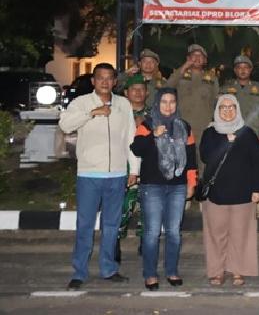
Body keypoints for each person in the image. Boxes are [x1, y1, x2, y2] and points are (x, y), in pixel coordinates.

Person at [59, 63, 138, 290]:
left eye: (109, 78)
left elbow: (130, 138)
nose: (105, 82)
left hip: (117, 174)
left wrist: (134, 169)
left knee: (111, 225)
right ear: (93, 81)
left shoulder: (123, 104)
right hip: (89, 174)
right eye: (100, 78)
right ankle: (79, 272)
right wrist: (92, 113)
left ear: (115, 81)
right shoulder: (81, 103)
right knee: (85, 225)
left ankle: (108, 269)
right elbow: (65, 125)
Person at [130, 88, 197, 291]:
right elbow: (136, 148)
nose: (168, 106)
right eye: (164, 102)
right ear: (157, 103)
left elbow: (191, 158)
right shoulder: (147, 125)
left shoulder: (184, 126)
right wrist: (153, 135)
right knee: (151, 233)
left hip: (178, 187)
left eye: (172, 102)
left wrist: (192, 183)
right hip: (152, 186)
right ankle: (150, 274)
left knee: (174, 232)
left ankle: (171, 271)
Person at [199, 94, 259, 286]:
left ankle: (238, 270)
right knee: (216, 234)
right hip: (216, 193)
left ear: (237, 109)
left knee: (240, 234)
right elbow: (205, 156)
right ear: (217, 110)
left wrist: (257, 188)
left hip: (243, 193)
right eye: (223, 108)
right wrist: (225, 142)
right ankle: (217, 271)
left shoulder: (247, 133)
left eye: (231, 107)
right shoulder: (210, 133)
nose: (228, 111)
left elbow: (258, 163)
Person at [115, 74, 150, 264]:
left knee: (148, 206)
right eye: (133, 89)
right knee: (122, 206)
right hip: (123, 165)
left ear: (147, 92)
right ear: (126, 93)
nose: (138, 92)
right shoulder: (117, 113)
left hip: (148, 166)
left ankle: (146, 242)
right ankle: (114, 242)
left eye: (141, 89)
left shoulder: (154, 114)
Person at [167, 44, 219, 159]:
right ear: (188, 58)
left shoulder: (212, 78)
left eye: (200, 56)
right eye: (193, 55)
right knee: (183, 158)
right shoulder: (180, 74)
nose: (197, 58)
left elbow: (217, 102)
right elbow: (168, 86)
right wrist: (185, 66)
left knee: (203, 158)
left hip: (204, 126)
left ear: (205, 60)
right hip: (183, 125)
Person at [220, 55, 259, 143]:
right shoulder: (225, 89)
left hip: (254, 133)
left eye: (246, 67)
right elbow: (219, 112)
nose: (243, 70)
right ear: (235, 70)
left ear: (250, 69)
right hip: (231, 134)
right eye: (239, 67)